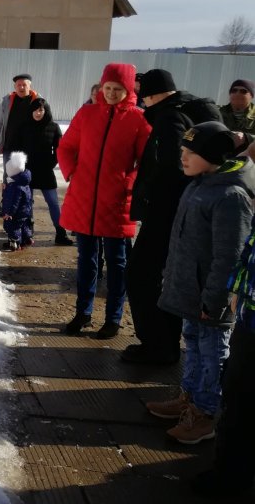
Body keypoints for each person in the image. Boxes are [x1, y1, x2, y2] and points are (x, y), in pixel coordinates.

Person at [146, 121, 255, 444]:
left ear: (212, 156)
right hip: (190, 292)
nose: (183, 158)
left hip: (210, 299)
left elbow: (228, 255)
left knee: (212, 353)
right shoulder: (200, 182)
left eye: (190, 153)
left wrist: (215, 299)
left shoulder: (230, 196)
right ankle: (189, 398)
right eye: (182, 151)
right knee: (192, 346)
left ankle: (206, 413)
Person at [123, 68, 221, 365]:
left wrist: (153, 196)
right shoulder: (185, 109)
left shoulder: (170, 118)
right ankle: (163, 345)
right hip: (178, 211)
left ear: (150, 95)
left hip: (168, 212)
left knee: (141, 276)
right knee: (163, 279)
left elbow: (173, 168)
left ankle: (157, 347)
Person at [58, 63, 150, 339]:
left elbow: (145, 162)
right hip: (84, 199)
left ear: (128, 90)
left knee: (117, 263)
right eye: (108, 88)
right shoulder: (87, 113)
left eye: (118, 89)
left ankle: (113, 317)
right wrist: (73, 172)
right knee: (86, 260)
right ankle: (83, 313)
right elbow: (66, 147)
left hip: (117, 202)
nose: (111, 93)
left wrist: (128, 184)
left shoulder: (138, 119)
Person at [192, 162, 255, 494]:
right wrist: (235, 287)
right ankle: (230, 472)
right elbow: (247, 251)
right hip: (249, 314)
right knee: (238, 392)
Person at [19, 97, 73, 245]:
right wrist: (20, 166)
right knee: (27, 202)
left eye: (41, 110)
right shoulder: (24, 126)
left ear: (45, 110)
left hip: (45, 171)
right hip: (27, 170)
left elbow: (60, 148)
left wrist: (51, 163)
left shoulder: (53, 127)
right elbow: (17, 147)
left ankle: (60, 233)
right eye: (35, 110)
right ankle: (27, 233)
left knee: (53, 202)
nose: (38, 113)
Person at [0, 74, 39, 216]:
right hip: (9, 147)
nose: (21, 87)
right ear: (15, 87)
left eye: (24, 85)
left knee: (27, 179)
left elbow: (46, 125)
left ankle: (26, 208)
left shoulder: (38, 101)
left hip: (29, 149)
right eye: (19, 85)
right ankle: (6, 205)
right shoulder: (7, 101)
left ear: (30, 86)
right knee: (8, 178)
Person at [0, 151, 34, 252]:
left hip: (16, 213)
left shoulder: (14, 186)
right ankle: (27, 238)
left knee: (13, 227)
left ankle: (15, 242)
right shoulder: (24, 182)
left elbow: (13, 201)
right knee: (23, 225)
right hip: (25, 211)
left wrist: (9, 213)